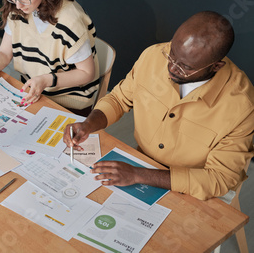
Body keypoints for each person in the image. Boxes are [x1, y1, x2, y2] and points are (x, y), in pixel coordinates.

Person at [64, 11, 254, 201]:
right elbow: (119, 99)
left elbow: (219, 178)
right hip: (142, 163)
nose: (171, 68)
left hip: (197, 188)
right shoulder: (154, 56)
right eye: (172, 53)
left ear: (216, 66)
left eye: (185, 67)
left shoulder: (242, 106)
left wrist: (139, 175)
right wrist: (88, 124)